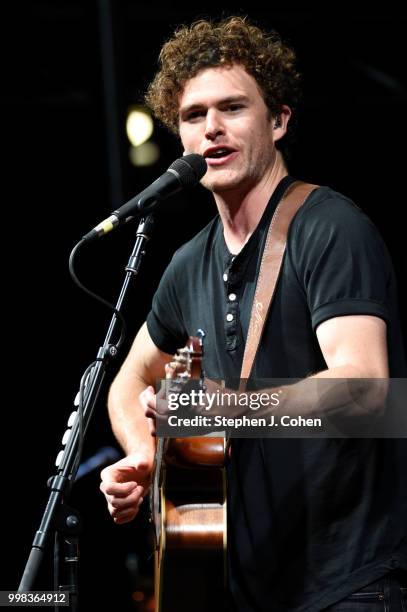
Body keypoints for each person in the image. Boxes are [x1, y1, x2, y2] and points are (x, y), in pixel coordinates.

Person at [100, 16, 407, 611]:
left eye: (233, 108)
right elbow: (126, 383)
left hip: (350, 583)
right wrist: (146, 458)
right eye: (193, 116)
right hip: (247, 589)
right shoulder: (188, 264)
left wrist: (225, 407)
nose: (212, 127)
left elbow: (367, 389)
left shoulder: (329, 228)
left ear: (279, 120)